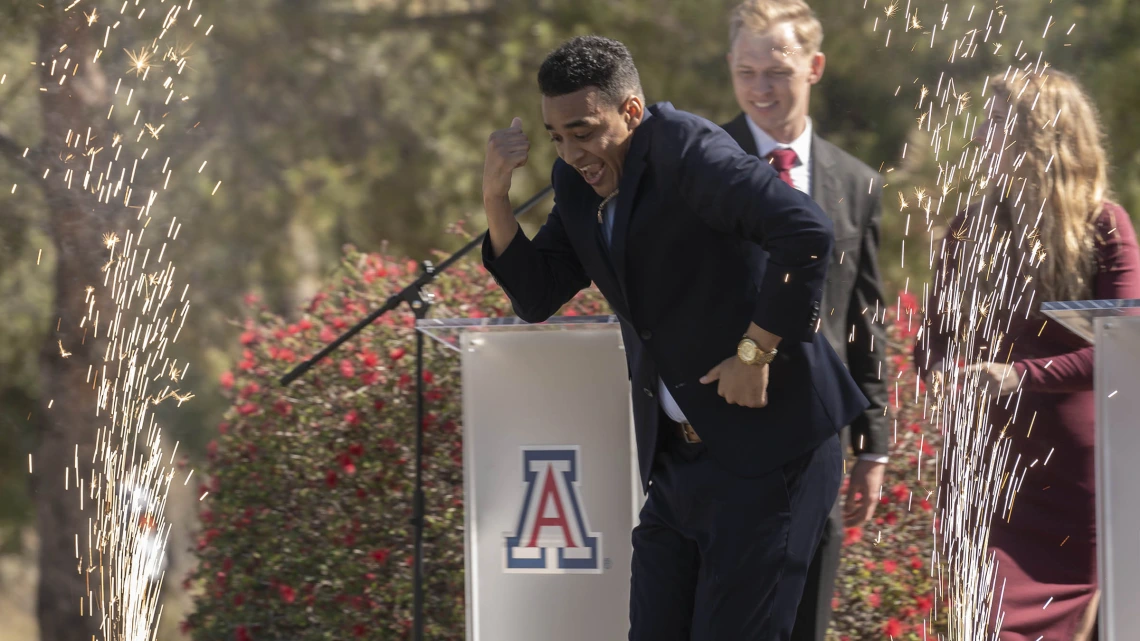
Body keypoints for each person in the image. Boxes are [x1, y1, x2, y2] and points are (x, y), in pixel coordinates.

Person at [481, 35, 869, 641]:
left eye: (583, 131)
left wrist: (755, 351)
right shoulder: (578, 182)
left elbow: (806, 232)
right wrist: (495, 198)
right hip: (679, 466)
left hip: (771, 455)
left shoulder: (689, 150)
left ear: (630, 111)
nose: (571, 150)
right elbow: (536, 295)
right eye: (556, 136)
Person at [915, 68, 1140, 641]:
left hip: (1071, 478)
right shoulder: (969, 227)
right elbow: (935, 338)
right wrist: (940, 372)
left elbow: (1123, 349)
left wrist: (1018, 376)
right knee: (987, 625)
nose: (984, 139)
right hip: (989, 472)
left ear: (1043, 138)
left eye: (998, 125)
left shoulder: (1104, 227)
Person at [717, 2, 890, 639]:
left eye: (777, 71)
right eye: (746, 71)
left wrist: (873, 440)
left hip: (819, 438)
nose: (761, 88)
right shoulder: (697, 166)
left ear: (814, 67)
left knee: (805, 620)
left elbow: (863, 317)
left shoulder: (857, 182)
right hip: (720, 432)